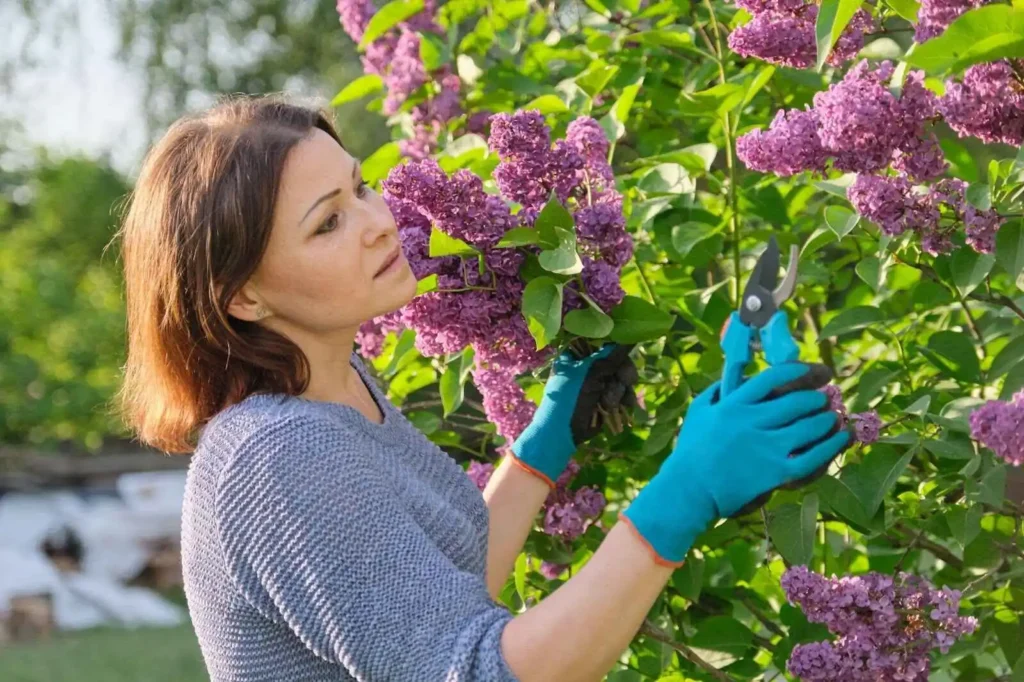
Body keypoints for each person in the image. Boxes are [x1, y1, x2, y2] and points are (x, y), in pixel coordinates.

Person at [114, 94, 852, 682]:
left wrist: (539, 450)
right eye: (328, 223)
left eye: (361, 188)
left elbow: (435, 597)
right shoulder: (279, 456)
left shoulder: (332, 384)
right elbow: (478, 670)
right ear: (243, 295)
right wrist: (682, 493)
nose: (378, 224)